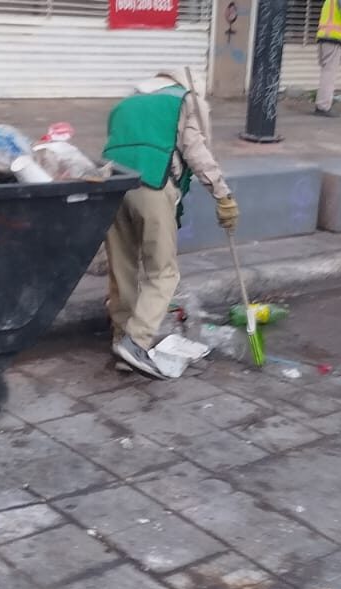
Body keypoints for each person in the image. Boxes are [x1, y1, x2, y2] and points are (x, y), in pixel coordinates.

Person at [102, 69, 239, 379]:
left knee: (122, 268)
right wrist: (222, 193)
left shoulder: (127, 103)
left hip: (110, 187)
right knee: (163, 272)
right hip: (151, 186)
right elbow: (196, 151)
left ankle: (121, 341)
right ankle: (136, 342)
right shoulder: (182, 101)